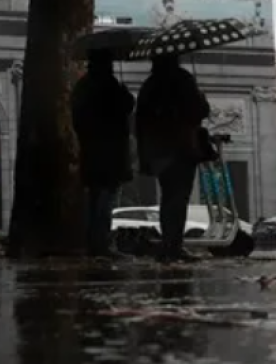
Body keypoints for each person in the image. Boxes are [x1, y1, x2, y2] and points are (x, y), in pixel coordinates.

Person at [135, 53, 211, 263]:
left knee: (168, 197)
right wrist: (201, 98)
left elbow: (139, 121)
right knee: (179, 197)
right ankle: (173, 245)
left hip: (158, 150)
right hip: (182, 147)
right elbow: (200, 111)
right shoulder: (183, 79)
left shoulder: (149, 85)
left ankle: (169, 244)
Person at [70, 48, 136, 257]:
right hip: (109, 151)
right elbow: (123, 108)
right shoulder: (108, 86)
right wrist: (125, 95)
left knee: (94, 199)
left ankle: (93, 243)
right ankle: (102, 245)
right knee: (105, 200)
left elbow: (77, 118)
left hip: (90, 150)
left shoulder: (82, 87)